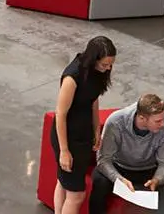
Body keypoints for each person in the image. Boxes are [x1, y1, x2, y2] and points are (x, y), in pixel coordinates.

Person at [50, 37, 117, 214]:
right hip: (67, 137)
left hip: (83, 135)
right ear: (93, 59)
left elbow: (93, 99)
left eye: (110, 64)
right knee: (76, 195)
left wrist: (96, 129)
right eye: (104, 64)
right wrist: (64, 151)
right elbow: (61, 115)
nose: (108, 68)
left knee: (63, 183)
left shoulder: (97, 72)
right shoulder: (72, 77)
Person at [89, 93, 164, 212]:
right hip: (119, 167)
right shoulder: (115, 123)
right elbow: (103, 160)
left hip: (149, 171)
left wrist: (157, 179)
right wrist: (118, 179)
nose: (163, 124)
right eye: (158, 121)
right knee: (99, 181)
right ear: (142, 118)